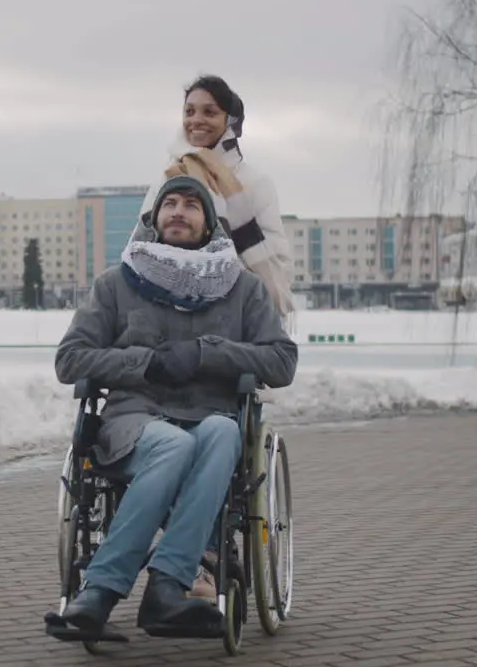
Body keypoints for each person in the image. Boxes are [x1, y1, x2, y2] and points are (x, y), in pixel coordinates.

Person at [48, 175, 298, 639]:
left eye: (191, 205)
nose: (178, 212)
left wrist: (208, 353)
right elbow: (70, 360)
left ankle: (166, 586)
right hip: (136, 421)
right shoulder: (116, 285)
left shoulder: (242, 289)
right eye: (170, 204)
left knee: (223, 434)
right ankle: (101, 590)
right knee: (173, 446)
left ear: (209, 226)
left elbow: (281, 360)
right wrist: (145, 363)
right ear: (154, 218)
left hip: (211, 417)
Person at [140, 74, 296, 327]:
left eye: (209, 112)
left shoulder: (254, 183)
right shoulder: (169, 176)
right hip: (169, 314)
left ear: (229, 120)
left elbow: (277, 263)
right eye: (189, 111)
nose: (196, 120)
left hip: (237, 317)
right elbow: (143, 243)